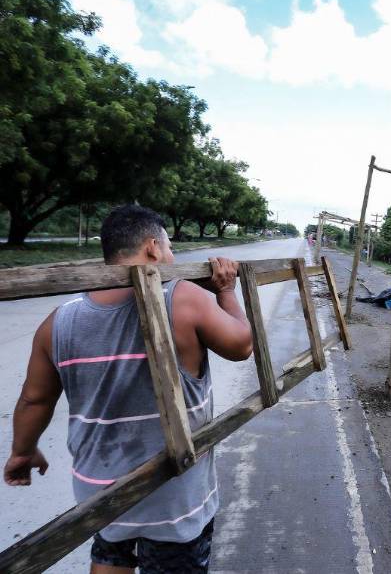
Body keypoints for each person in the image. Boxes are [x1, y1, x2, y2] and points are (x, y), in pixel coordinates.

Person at [3, 205, 254, 573]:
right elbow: (242, 346)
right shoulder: (181, 297)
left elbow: (34, 398)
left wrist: (22, 452)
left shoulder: (58, 320)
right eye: (169, 248)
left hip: (99, 490)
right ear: (153, 248)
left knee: (110, 553)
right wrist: (227, 292)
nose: (172, 258)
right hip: (173, 490)